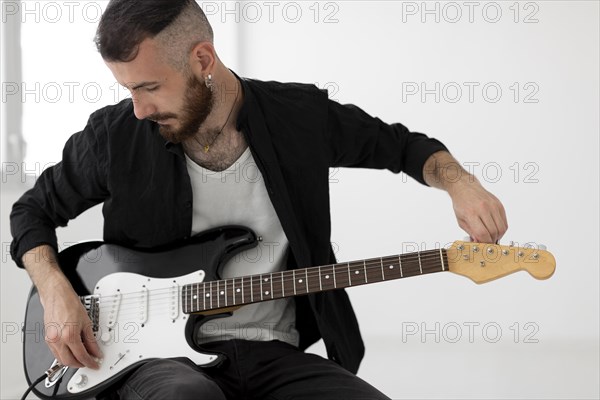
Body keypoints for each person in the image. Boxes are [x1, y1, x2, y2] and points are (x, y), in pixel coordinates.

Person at [10, 0, 508, 399]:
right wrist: (56, 291)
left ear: (202, 59)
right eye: (128, 90)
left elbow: (401, 146)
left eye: (149, 87)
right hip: (155, 361)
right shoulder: (115, 136)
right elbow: (31, 211)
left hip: (273, 351)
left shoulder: (300, 118)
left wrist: (460, 183)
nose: (138, 109)